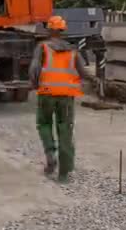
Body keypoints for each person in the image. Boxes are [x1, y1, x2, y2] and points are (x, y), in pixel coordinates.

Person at [29, 16, 89, 183]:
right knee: (65, 130)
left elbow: (34, 70)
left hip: (47, 93)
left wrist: (34, 85)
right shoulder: (72, 50)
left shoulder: (42, 47)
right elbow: (83, 73)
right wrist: (94, 81)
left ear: (49, 30)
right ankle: (63, 174)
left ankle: (50, 155)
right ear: (62, 30)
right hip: (67, 96)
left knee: (44, 124)